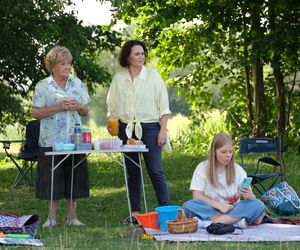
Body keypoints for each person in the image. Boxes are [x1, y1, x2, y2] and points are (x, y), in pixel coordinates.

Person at [106, 40, 171, 223]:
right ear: (128, 57)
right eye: (137, 54)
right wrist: (110, 121)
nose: (141, 56)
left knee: (155, 171)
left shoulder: (153, 76)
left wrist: (163, 131)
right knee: (133, 172)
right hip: (126, 130)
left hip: (150, 128)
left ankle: (166, 213)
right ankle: (135, 214)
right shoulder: (119, 78)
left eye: (143, 53)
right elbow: (111, 105)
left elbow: (164, 107)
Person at [32, 46, 90, 227]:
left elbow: (85, 111)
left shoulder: (77, 84)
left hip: (75, 139)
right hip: (51, 140)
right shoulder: (43, 86)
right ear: (53, 66)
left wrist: (79, 106)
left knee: (74, 178)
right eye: (63, 64)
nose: (67, 67)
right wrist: (58, 106)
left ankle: (72, 218)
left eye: (69, 64)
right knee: (52, 180)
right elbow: (35, 113)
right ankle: (51, 219)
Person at [182, 132, 265, 229]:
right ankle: (233, 222)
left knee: (258, 205)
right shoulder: (202, 168)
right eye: (224, 152)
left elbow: (250, 200)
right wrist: (219, 205)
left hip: (233, 209)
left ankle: (210, 223)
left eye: (230, 151)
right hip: (210, 210)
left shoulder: (238, 170)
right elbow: (196, 195)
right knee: (188, 206)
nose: (228, 155)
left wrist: (250, 196)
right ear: (214, 152)